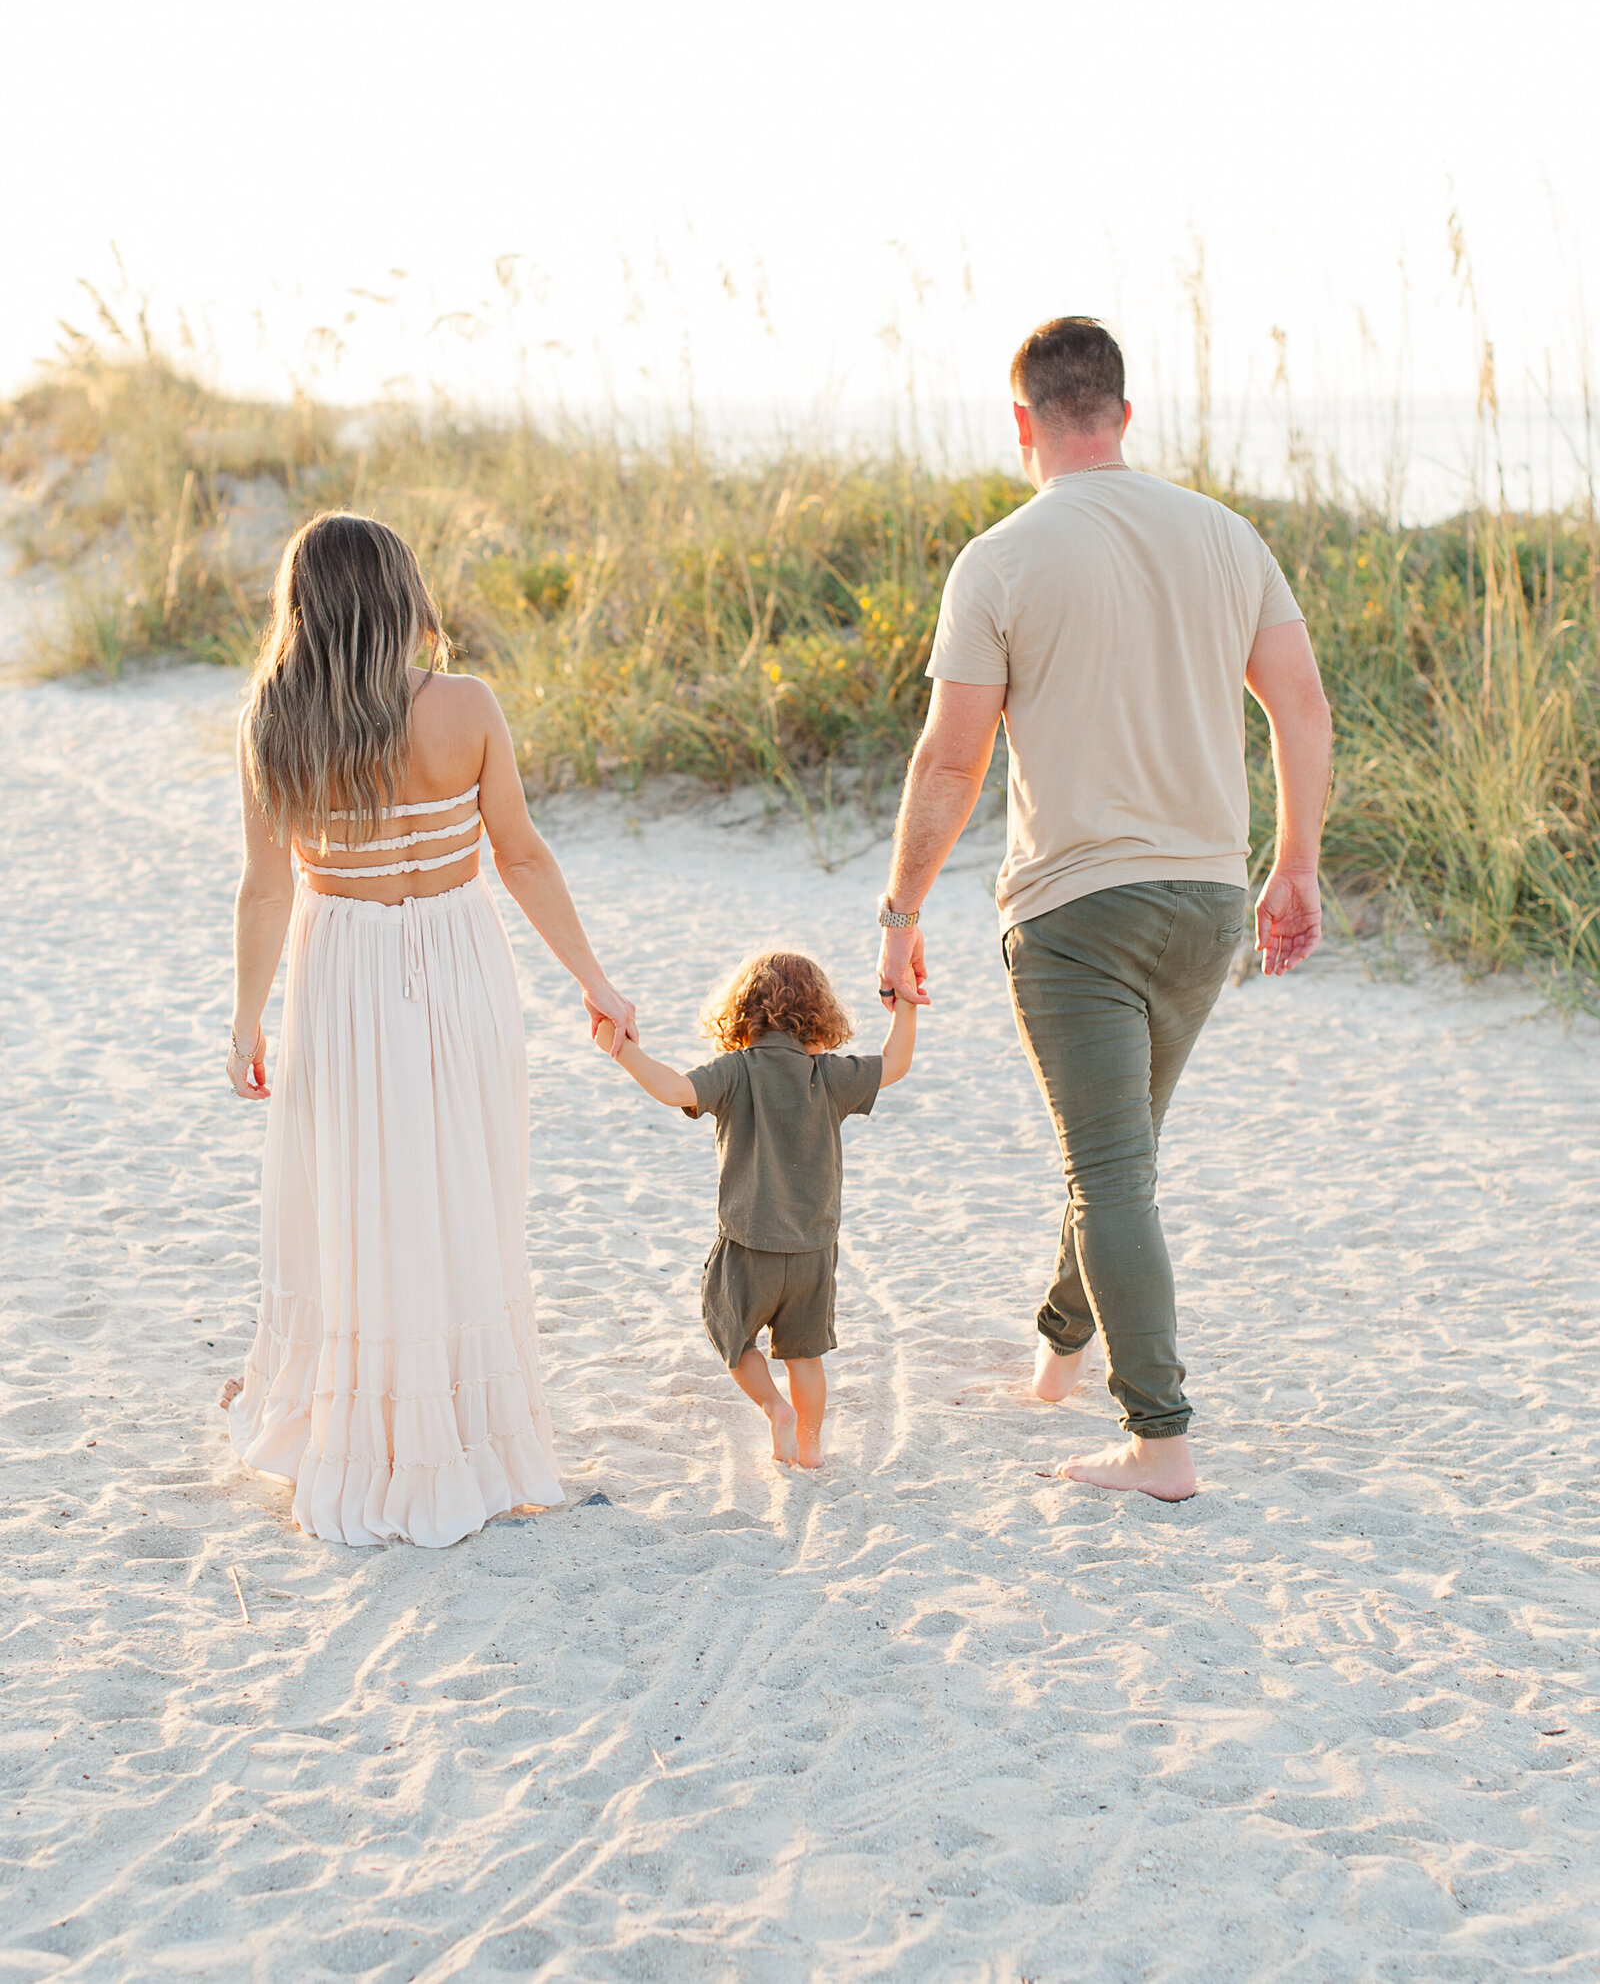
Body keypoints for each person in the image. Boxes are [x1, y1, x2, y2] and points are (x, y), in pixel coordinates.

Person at [875, 317, 1332, 1501]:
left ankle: (1158, 1439)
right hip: (1206, 897)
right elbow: (1299, 706)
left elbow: (949, 761)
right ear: (1123, 415)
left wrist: (898, 910)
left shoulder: (1002, 556)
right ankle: (1057, 1350)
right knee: (1118, 1153)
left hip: (1074, 909)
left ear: (1021, 422)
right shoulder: (1227, 536)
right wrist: (1295, 862)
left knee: (1112, 1169)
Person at [222, 511, 637, 1547]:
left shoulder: (275, 720)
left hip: (342, 969)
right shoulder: (465, 706)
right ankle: (464, 1425)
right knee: (461, 1184)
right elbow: (523, 857)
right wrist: (595, 980)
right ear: (405, 594)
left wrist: (247, 1016)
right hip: (458, 959)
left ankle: (360, 1418)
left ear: (302, 607)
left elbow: (265, 888)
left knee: (361, 1192)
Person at [595, 950, 916, 1468]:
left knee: (731, 1331)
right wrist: (906, 1004)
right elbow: (896, 1062)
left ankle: (775, 1410)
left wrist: (622, 1050)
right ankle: (810, 1446)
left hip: (747, 1245)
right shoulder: (829, 1076)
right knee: (805, 1356)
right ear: (818, 1014)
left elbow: (673, 1088)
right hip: (812, 1251)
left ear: (743, 1013)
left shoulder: (735, 1071)